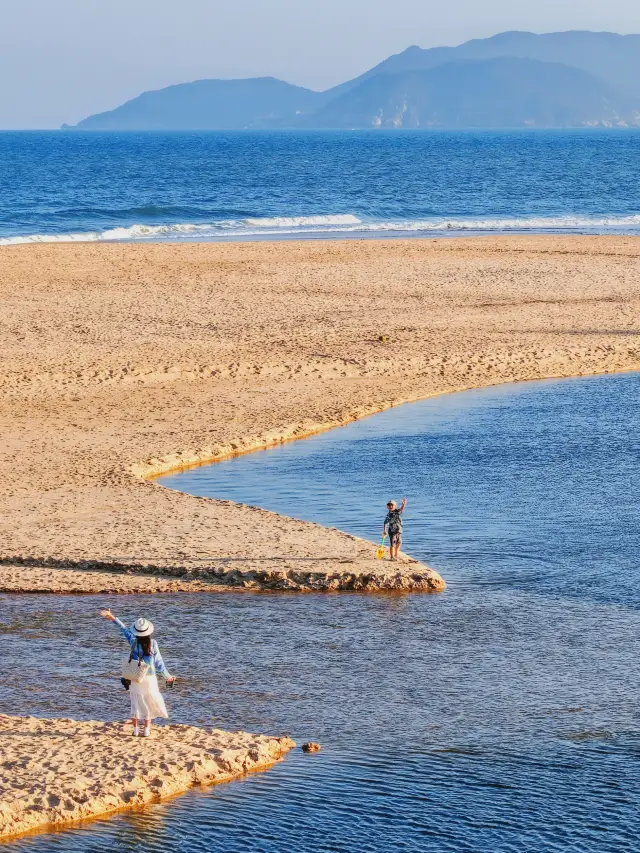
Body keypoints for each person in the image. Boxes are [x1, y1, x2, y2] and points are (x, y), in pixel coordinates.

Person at [99, 609, 175, 737]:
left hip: (135, 676)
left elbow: (123, 629)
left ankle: (135, 730)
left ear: (136, 631)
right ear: (148, 631)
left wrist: (111, 616)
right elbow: (159, 663)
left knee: (135, 703)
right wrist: (168, 676)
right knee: (148, 703)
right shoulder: (153, 643)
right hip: (150, 678)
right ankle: (146, 730)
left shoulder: (133, 641)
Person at [383, 497, 407, 561]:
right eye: (389, 505)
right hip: (392, 532)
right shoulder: (388, 515)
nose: (390, 506)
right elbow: (385, 523)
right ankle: (392, 557)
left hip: (398, 530)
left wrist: (403, 505)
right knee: (392, 544)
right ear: (387, 507)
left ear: (395, 506)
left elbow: (401, 509)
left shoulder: (397, 512)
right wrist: (384, 530)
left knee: (399, 542)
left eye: (392, 505)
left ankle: (396, 554)